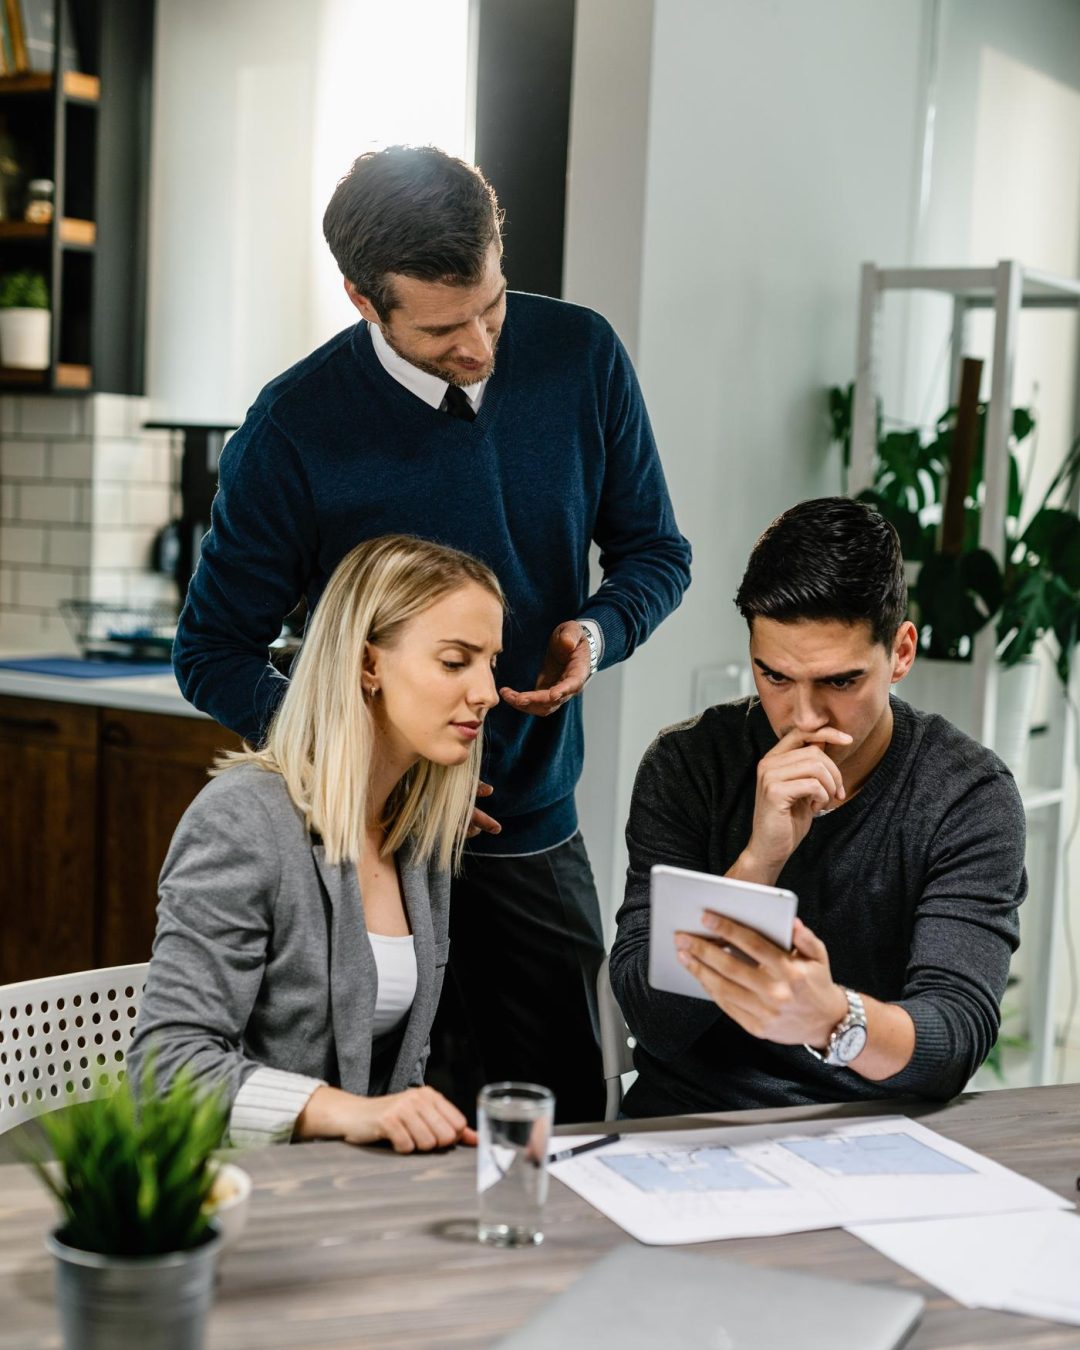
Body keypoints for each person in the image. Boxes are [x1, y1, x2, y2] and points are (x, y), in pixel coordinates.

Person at [172, 145, 691, 1122]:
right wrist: (370, 761)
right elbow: (210, 655)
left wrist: (598, 629)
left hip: (533, 833)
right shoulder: (293, 430)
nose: (484, 347)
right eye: (447, 327)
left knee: (568, 1127)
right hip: (375, 853)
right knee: (391, 1125)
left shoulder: (581, 355)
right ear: (365, 302)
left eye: (493, 305)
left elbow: (656, 552)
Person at [610, 497, 1027, 1117]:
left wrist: (834, 1018)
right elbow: (653, 1017)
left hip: (877, 1132)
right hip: (691, 1121)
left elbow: (954, 1039)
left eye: (839, 682)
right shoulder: (689, 765)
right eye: (775, 677)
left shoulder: (968, 795)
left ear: (902, 654)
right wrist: (758, 862)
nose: (803, 717)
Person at [130, 534, 505, 1151]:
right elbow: (167, 1073)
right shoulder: (242, 821)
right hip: (239, 1193)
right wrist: (348, 1114)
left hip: (349, 1195)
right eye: (455, 661)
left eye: (491, 662)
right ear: (367, 665)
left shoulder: (417, 834)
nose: (487, 692)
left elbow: (400, 1072)